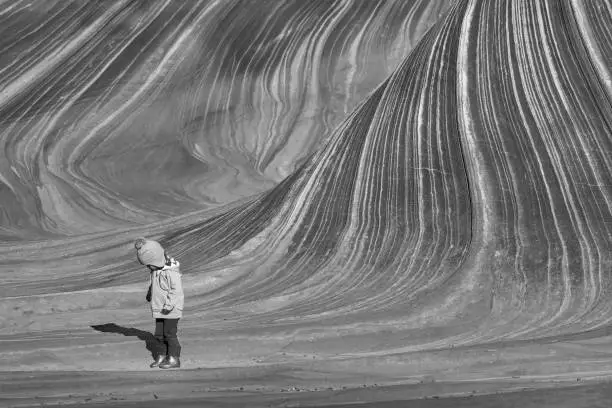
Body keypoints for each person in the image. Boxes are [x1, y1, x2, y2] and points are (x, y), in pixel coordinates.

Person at [134, 237, 184, 369]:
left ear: (157, 260)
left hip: (171, 310)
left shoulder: (171, 273)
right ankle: (162, 356)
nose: (148, 267)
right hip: (159, 308)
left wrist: (168, 306)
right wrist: (150, 293)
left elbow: (176, 292)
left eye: (150, 264)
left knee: (169, 334)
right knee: (159, 335)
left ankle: (174, 358)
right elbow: (154, 285)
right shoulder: (155, 270)